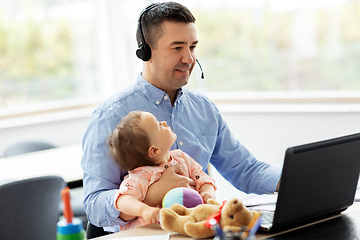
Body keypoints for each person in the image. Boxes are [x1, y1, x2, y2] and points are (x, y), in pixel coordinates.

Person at [81, 1, 282, 232]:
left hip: (198, 232)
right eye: (177, 48)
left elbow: (245, 169)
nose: (189, 59)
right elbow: (95, 206)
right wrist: (152, 195)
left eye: (193, 47)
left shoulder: (204, 109)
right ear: (146, 51)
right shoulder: (108, 116)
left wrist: (293, 180)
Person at [108, 110, 216, 231]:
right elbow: (123, 200)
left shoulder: (182, 158)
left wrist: (208, 194)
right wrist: (145, 210)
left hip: (188, 226)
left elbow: (203, 179)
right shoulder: (142, 175)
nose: (164, 122)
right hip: (154, 232)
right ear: (154, 150)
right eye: (159, 125)